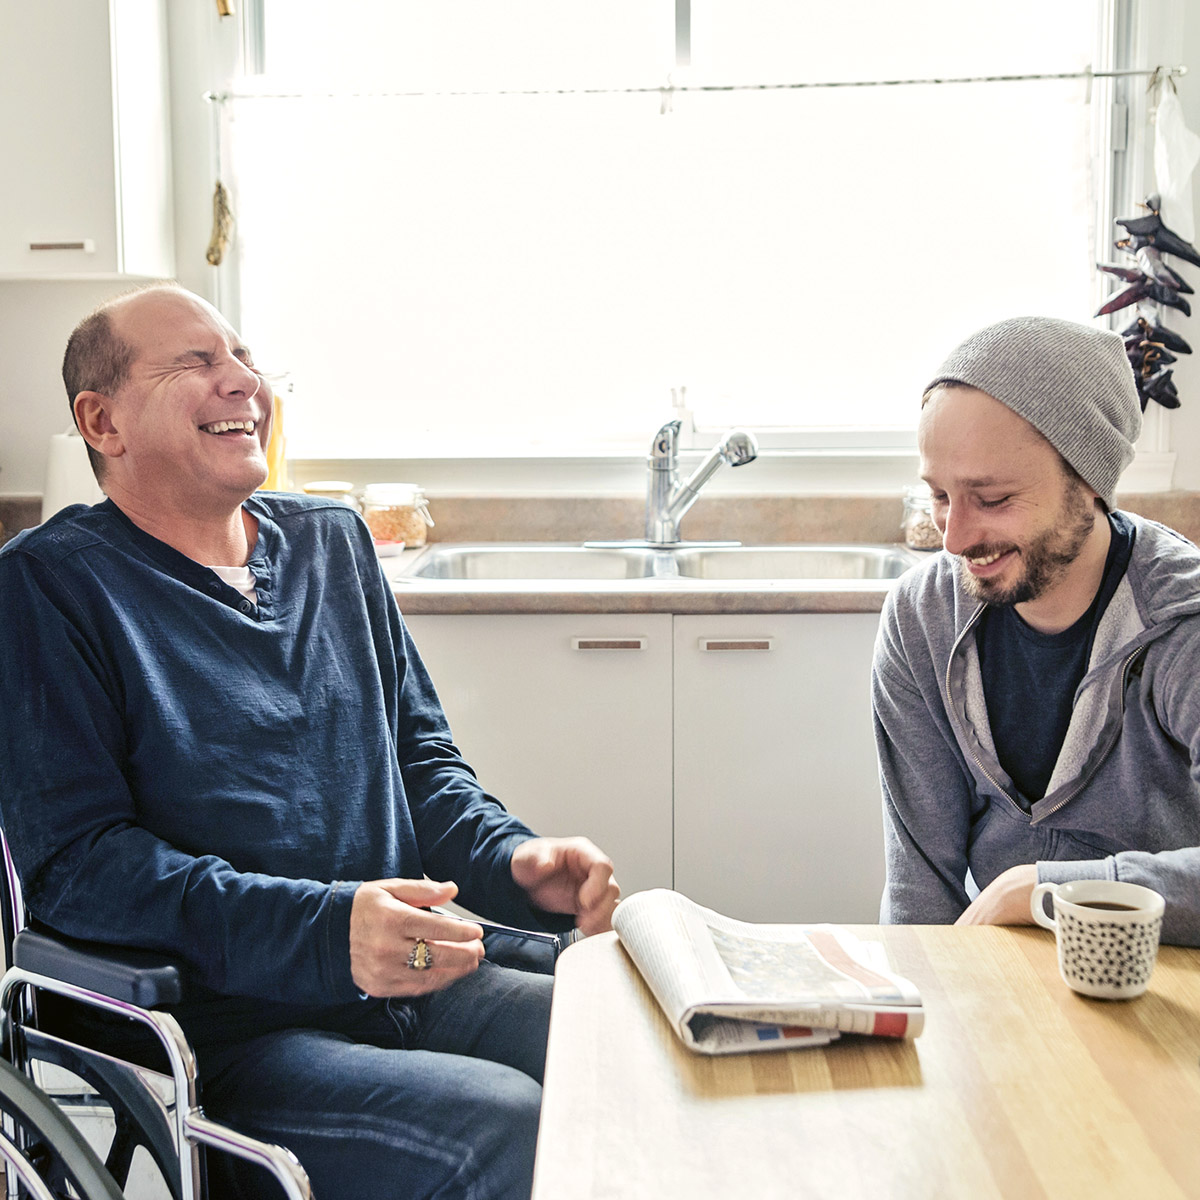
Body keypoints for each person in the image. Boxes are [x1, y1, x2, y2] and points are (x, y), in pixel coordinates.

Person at [0, 283, 620, 1199]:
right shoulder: (48, 590)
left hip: (414, 969)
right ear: (103, 421)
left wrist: (515, 860)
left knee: (622, 1042)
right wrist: (328, 933)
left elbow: (419, 766)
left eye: (245, 359)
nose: (241, 381)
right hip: (237, 1030)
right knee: (506, 1126)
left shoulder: (333, 542)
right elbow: (83, 866)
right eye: (199, 363)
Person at [872, 314, 1200, 946]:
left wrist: (1048, 890)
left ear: (1088, 481)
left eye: (991, 499)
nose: (956, 539)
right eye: (939, 496)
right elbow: (919, 887)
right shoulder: (923, 618)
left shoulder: (1182, 625)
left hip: (1160, 986)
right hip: (993, 978)